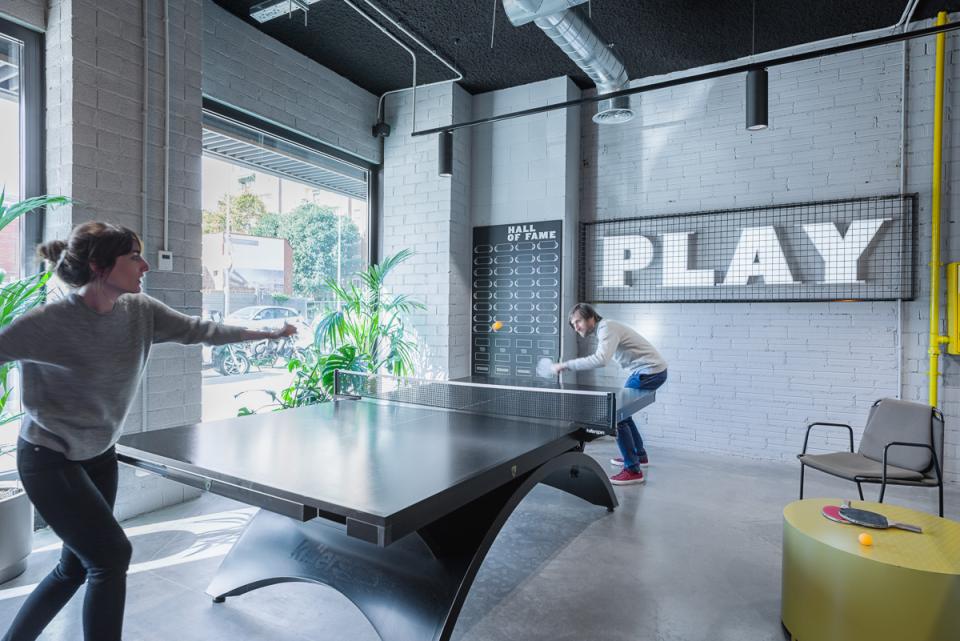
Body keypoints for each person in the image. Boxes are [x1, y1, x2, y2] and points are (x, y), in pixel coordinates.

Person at [0, 221, 297, 641]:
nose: (145, 266)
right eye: (134, 257)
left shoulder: (140, 312)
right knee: (110, 557)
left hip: (99, 454)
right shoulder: (47, 323)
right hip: (48, 458)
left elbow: (200, 330)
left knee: (75, 567)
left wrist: (267, 332)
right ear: (100, 266)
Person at [553, 303, 667, 486]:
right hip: (648, 371)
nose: (576, 327)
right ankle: (639, 456)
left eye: (578, 322)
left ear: (591, 317)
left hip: (649, 372)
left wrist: (566, 365)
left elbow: (601, 359)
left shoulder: (606, 328)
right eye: (573, 325)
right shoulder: (605, 328)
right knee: (624, 414)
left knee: (617, 416)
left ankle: (633, 470)